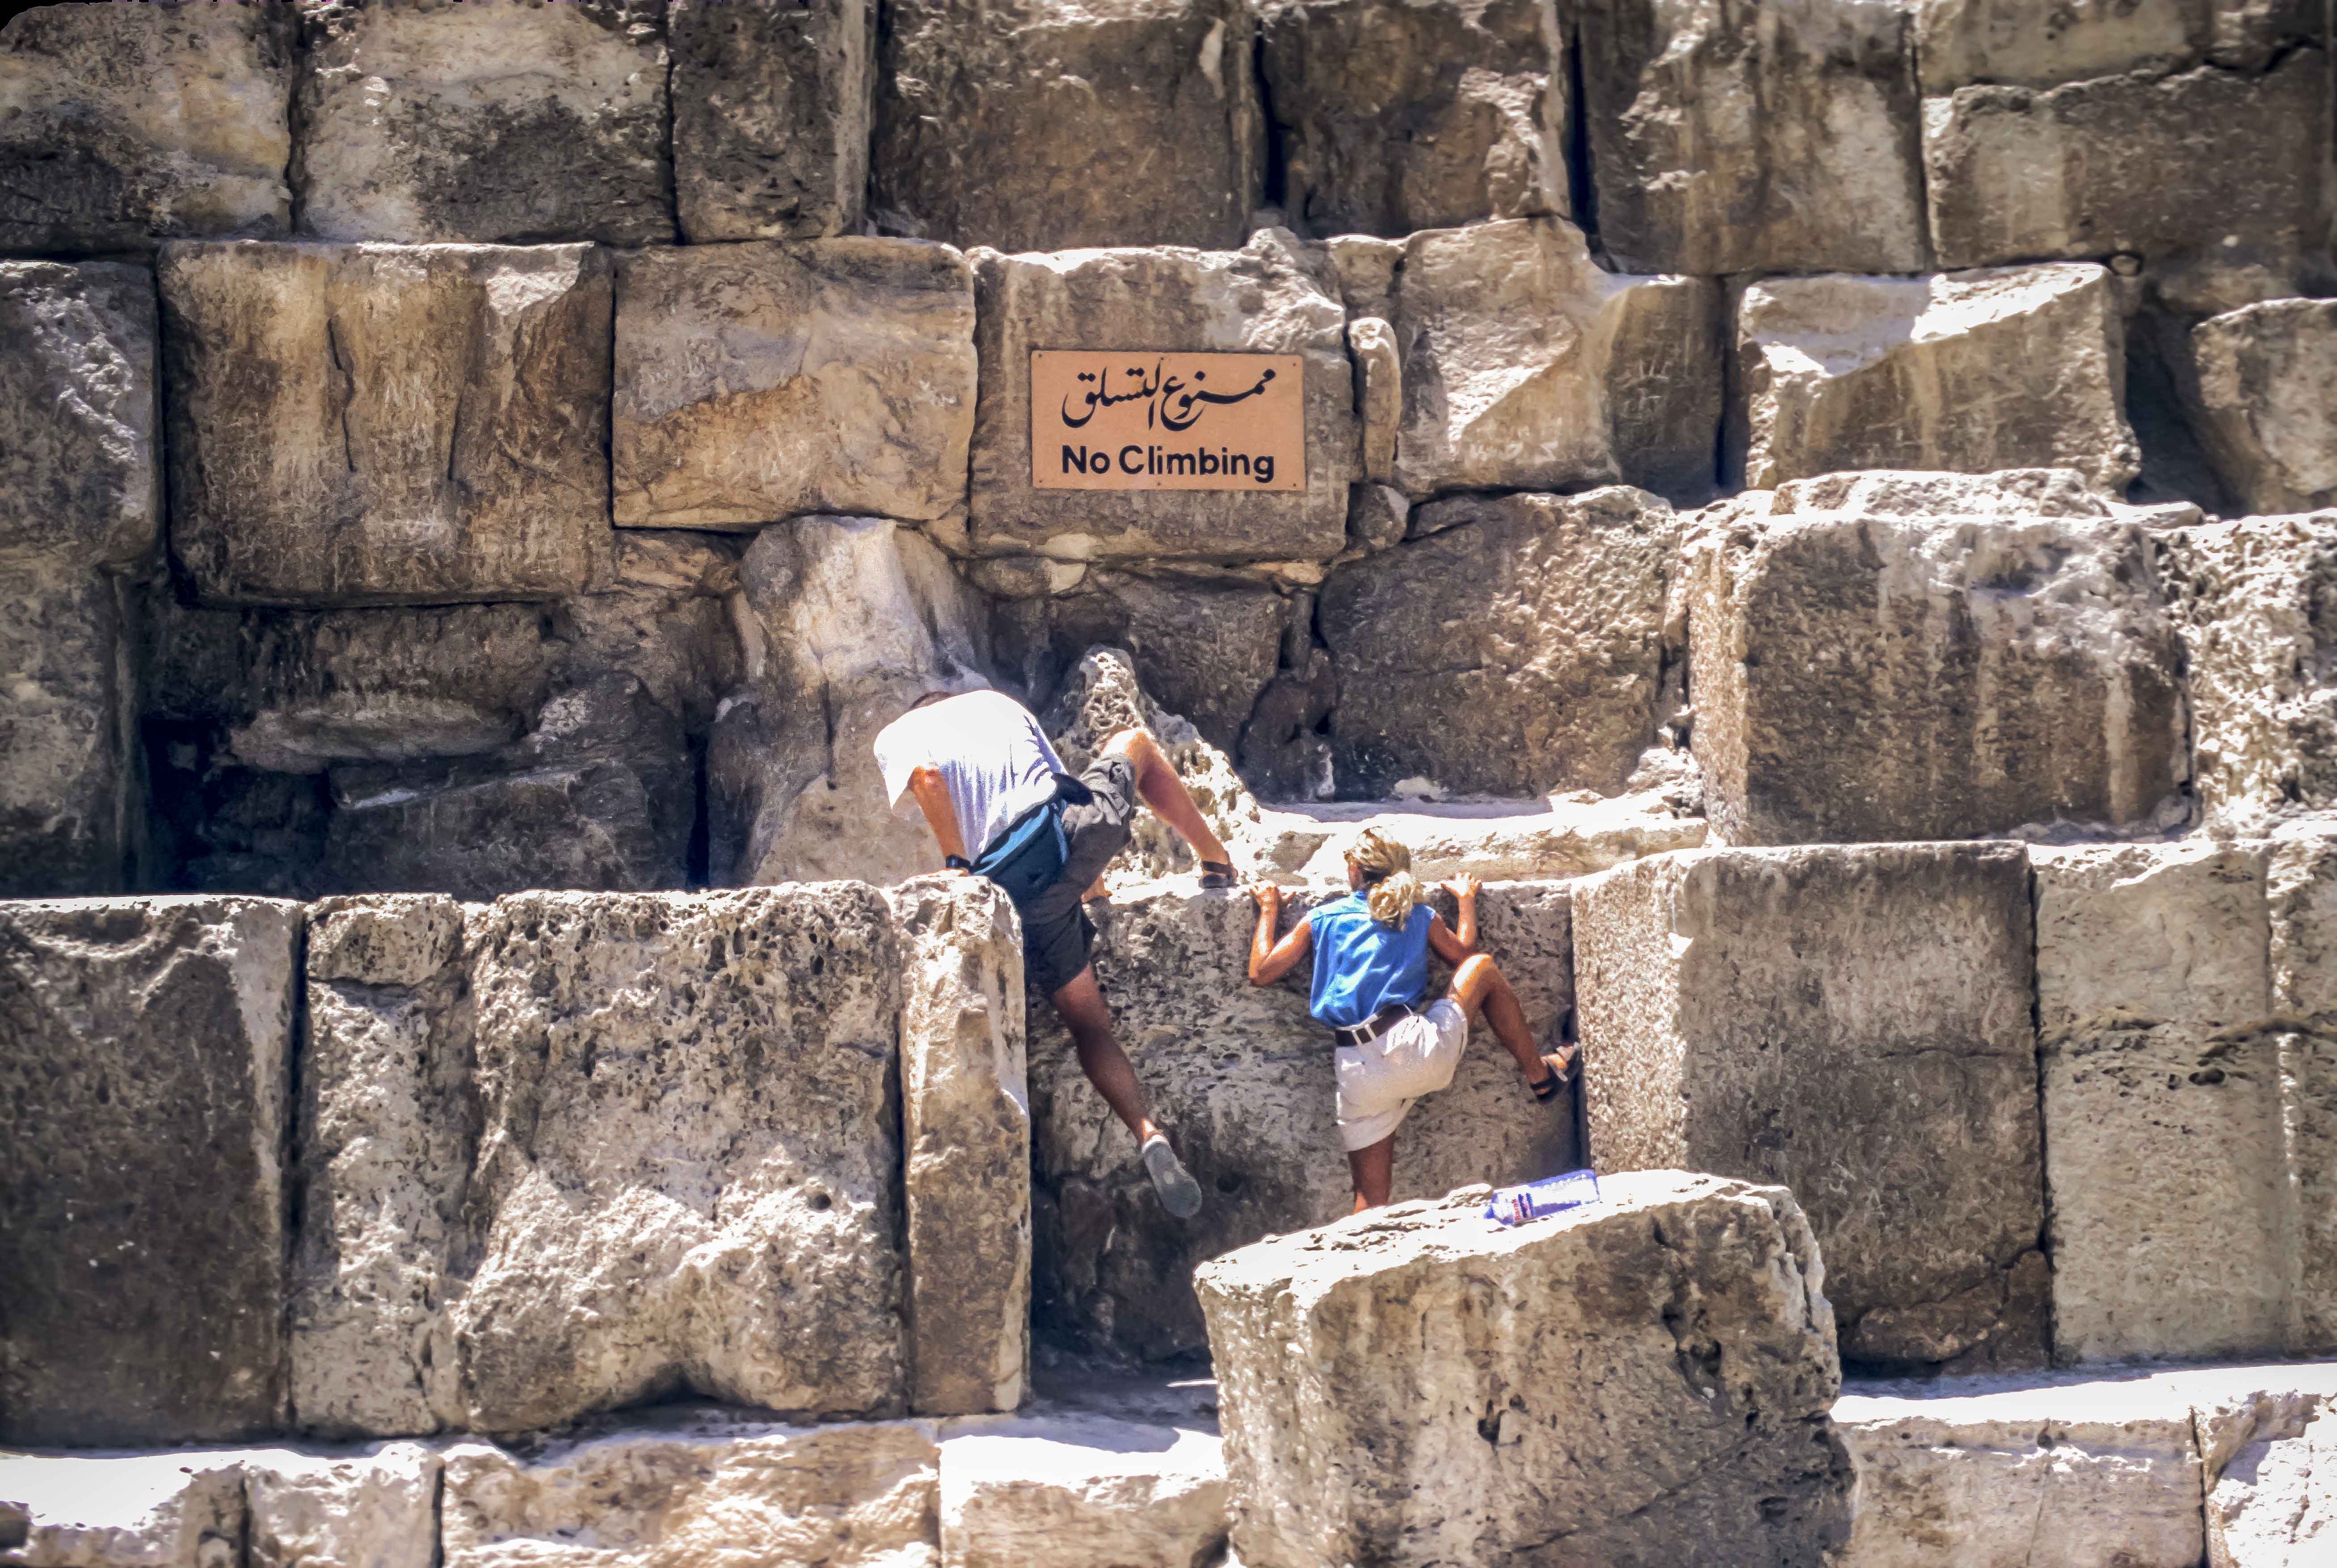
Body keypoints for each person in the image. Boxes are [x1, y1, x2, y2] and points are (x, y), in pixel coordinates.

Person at [874, 683, 1236, 1219]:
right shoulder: (1001, 704)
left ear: (922, 707)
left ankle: (1145, 1129)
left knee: (1084, 1021)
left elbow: (927, 777)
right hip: (1068, 839)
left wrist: (956, 869)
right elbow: (1060, 787)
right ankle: (1216, 860)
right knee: (1134, 742)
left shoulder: (902, 730)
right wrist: (1093, 888)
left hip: (1012, 888)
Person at [1245, 827, 1576, 1211]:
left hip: (1355, 1069)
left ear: (1354, 869)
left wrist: (1270, 909)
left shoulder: (1321, 918)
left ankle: (1359, 1268)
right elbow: (1465, 953)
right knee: (1482, 968)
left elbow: (1261, 971)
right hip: (1413, 1048)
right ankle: (1540, 1075)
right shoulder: (1415, 913)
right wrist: (1466, 901)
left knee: (1370, 1201)